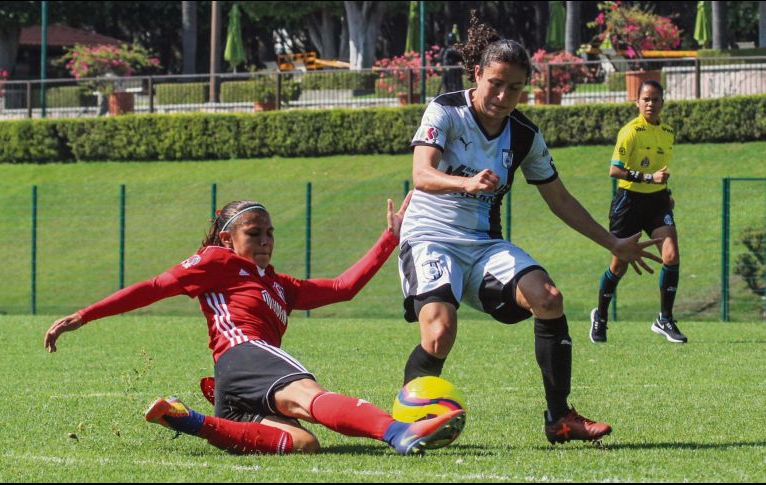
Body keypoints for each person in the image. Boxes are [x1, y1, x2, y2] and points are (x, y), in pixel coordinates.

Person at [397, 12, 662, 445]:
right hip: (430, 236)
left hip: (483, 245)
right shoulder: (445, 109)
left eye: (515, 88)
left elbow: (560, 200)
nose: (504, 96)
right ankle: (406, 422)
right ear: (477, 73)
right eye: (496, 84)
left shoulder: (524, 135)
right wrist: (467, 183)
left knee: (548, 298)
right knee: (440, 333)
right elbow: (422, 174)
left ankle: (560, 419)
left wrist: (613, 242)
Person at [44, 195, 466, 456]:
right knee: (308, 397)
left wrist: (389, 238)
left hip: (232, 384)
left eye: (269, 233)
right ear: (227, 239)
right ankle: (398, 432)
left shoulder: (280, 285)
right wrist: (86, 314)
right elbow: (155, 287)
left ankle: (186, 419)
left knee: (304, 443)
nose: (265, 240)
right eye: (254, 232)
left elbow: (344, 287)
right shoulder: (217, 261)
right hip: (244, 353)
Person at [590, 80, 686, 344]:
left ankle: (664, 319)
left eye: (655, 99)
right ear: (637, 102)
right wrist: (648, 178)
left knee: (671, 255)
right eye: (646, 99)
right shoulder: (630, 132)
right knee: (619, 264)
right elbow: (615, 170)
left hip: (657, 201)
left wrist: (665, 191)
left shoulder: (667, 132)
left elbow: (660, 170)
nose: (650, 104)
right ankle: (600, 315)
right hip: (629, 203)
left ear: (663, 102)